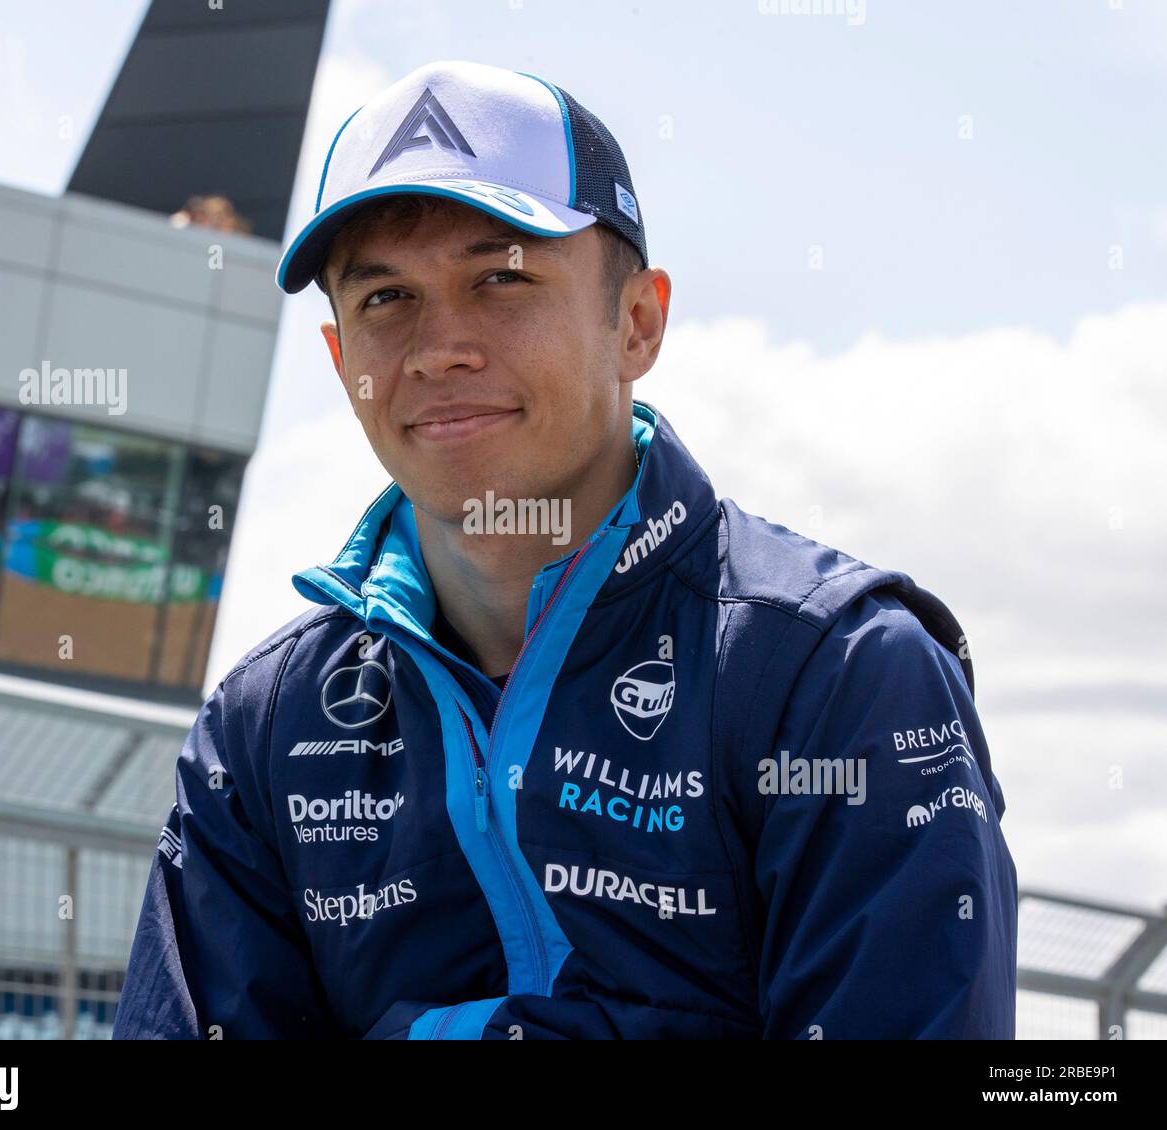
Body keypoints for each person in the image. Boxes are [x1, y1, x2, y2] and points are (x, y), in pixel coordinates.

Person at [113, 60, 1017, 1040]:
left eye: (501, 277)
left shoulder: (838, 674)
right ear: (341, 361)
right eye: (384, 299)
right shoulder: (262, 731)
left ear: (637, 322)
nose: (436, 348)